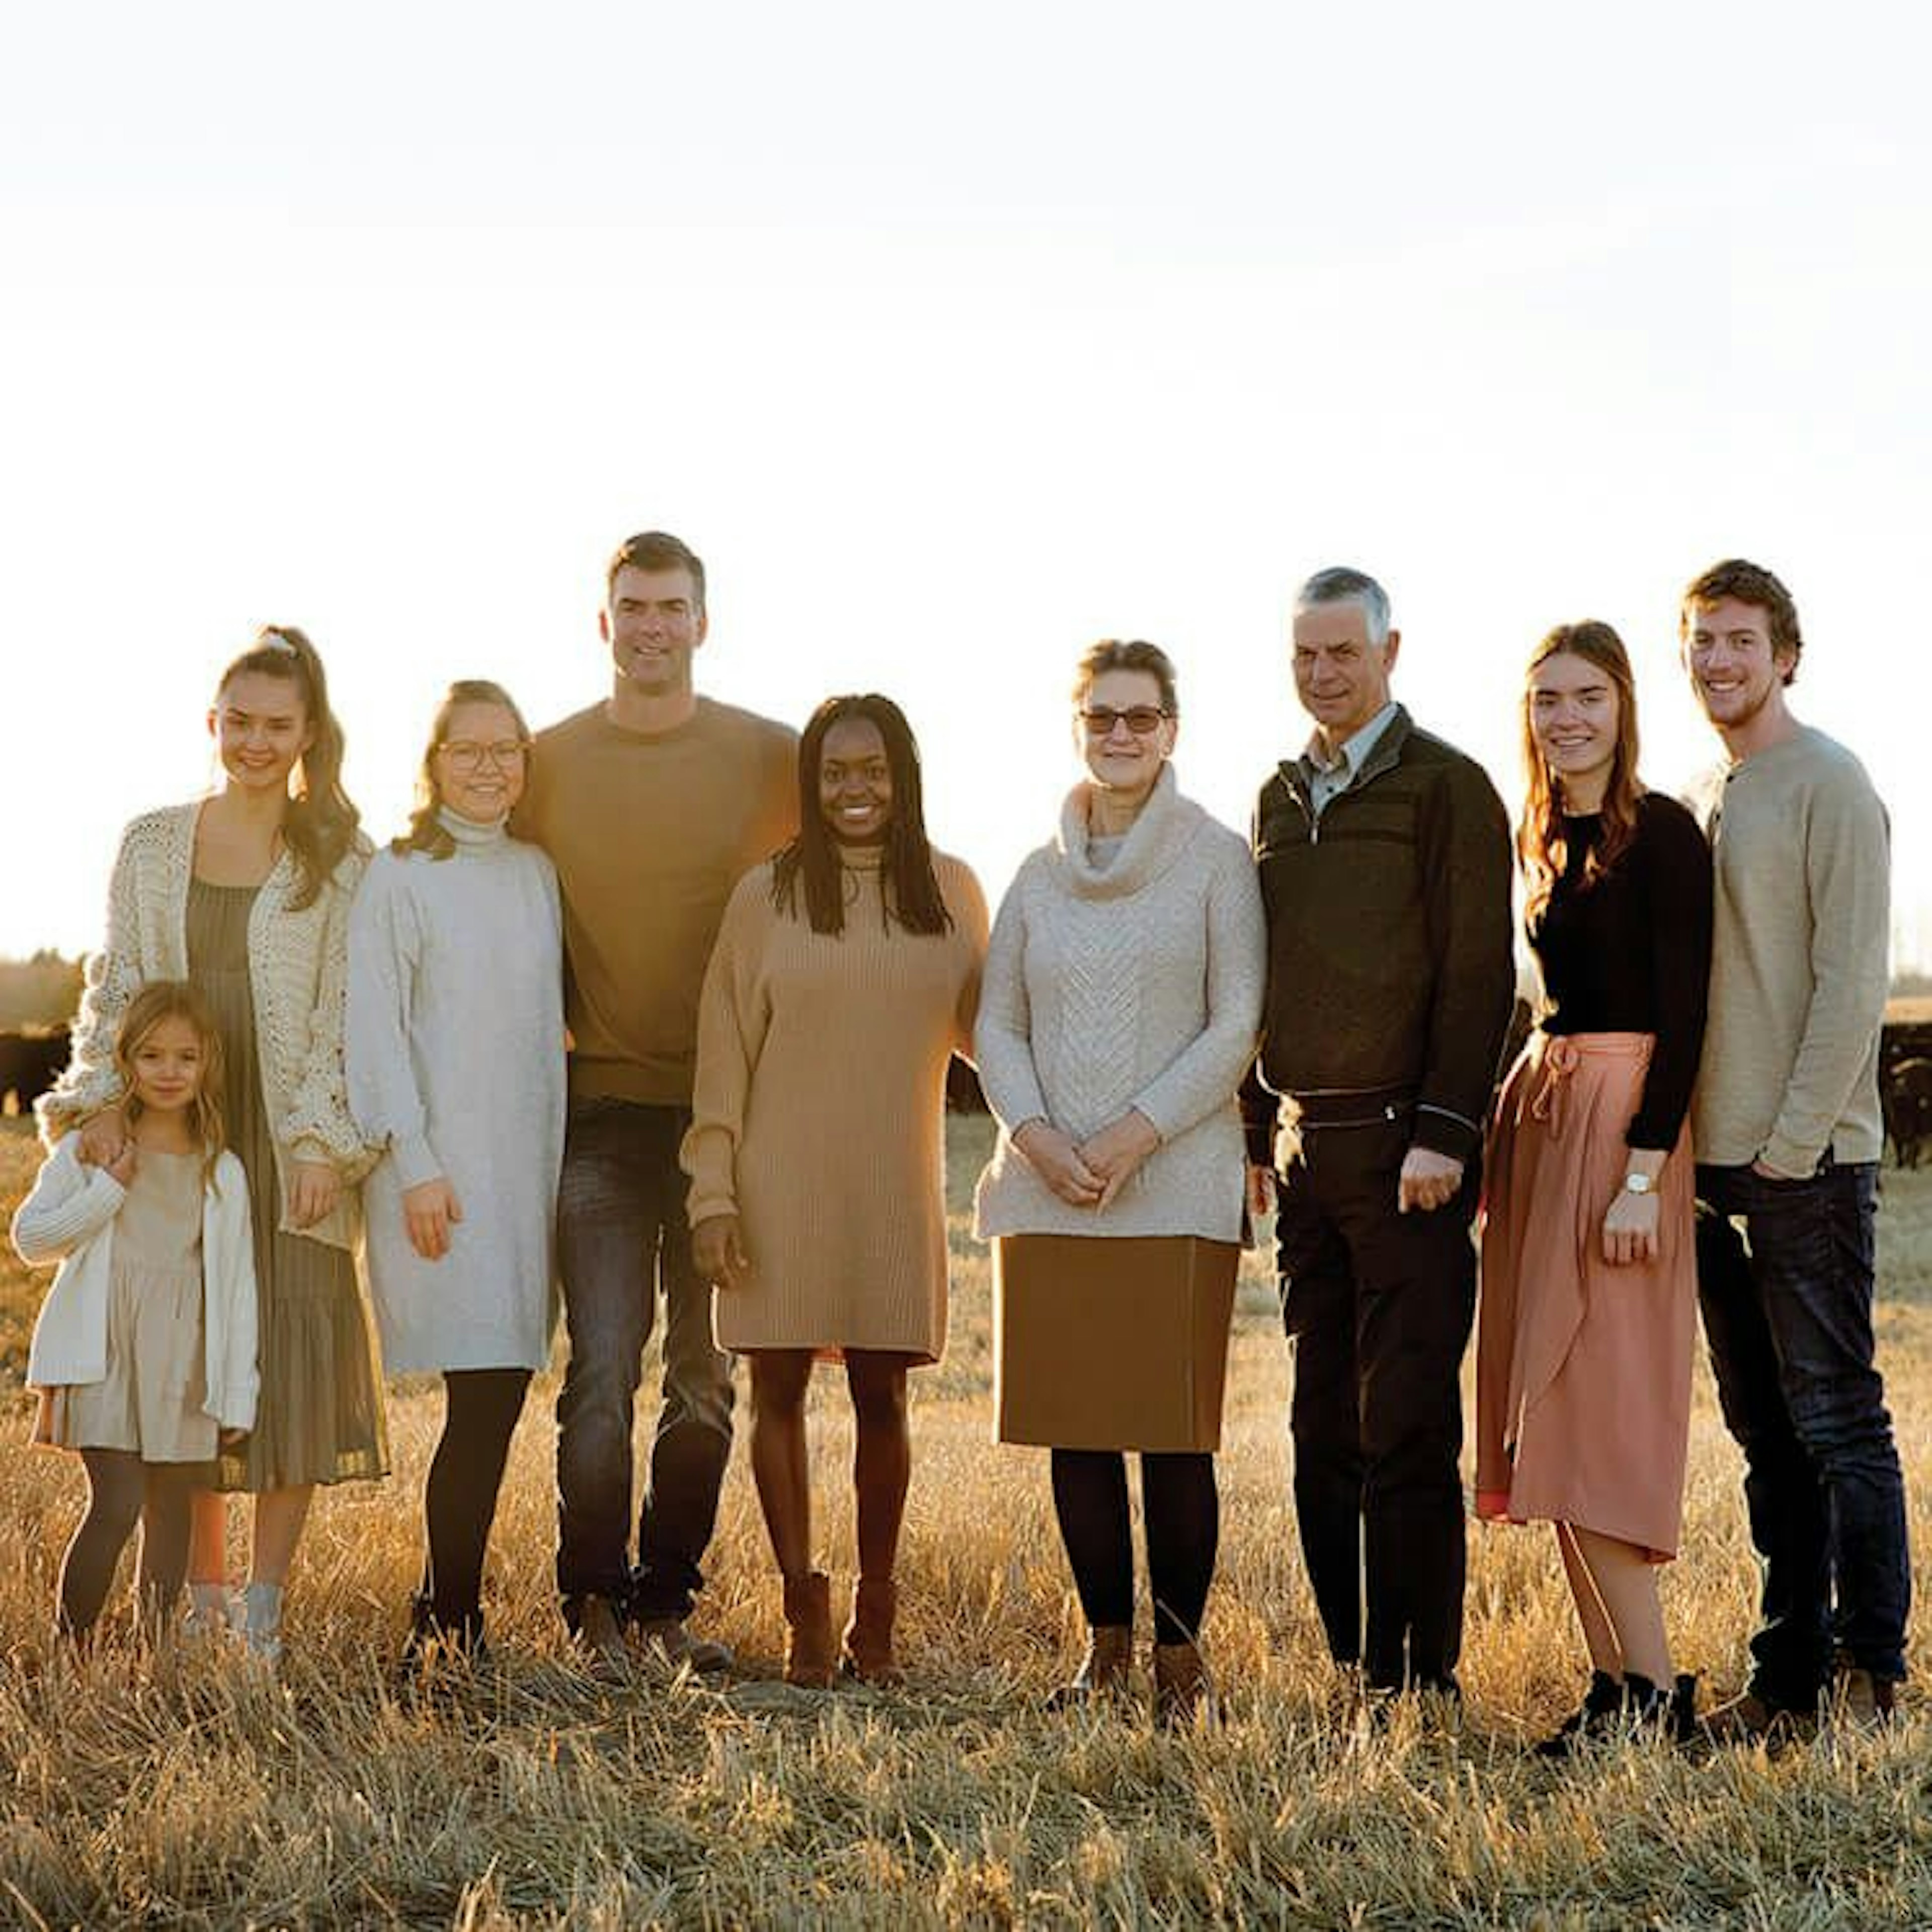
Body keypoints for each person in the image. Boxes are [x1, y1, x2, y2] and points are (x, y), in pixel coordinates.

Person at [40, 625, 383, 1663]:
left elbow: (341, 1013)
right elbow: (120, 982)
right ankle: (197, 1599)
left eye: (278, 725)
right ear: (213, 723)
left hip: (285, 1145)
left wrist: (325, 1143)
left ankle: (263, 1607)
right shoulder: (153, 842)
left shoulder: (343, 860)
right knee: (185, 1366)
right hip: (174, 1131)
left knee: (290, 1358)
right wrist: (100, 1100)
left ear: (309, 733)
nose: (255, 741)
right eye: (239, 722)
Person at [513, 530, 797, 1670]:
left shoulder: (770, 755)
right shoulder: (544, 762)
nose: (650, 626)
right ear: (602, 623)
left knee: (706, 1374)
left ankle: (664, 1607)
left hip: (734, 1121)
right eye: (632, 606)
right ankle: (589, 1607)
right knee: (600, 1369)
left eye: (671, 607)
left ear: (703, 623)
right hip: (599, 1112)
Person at [974, 640, 1263, 1725]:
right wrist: (1038, 1136)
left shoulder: (1215, 858)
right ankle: (1104, 1657)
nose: (1122, 735)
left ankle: (1181, 1672)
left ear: (1173, 731)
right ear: (1079, 728)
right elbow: (997, 1022)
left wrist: (1138, 1134)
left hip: (1173, 1186)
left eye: (1141, 717)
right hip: (1052, 1192)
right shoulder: (1037, 875)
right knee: (1078, 1434)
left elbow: (1237, 1020)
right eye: (1103, 717)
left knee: (1172, 1437)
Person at [1246, 566, 1514, 1705]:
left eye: (1342, 652)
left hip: (1412, 1148)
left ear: (1390, 653)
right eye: (1305, 654)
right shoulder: (1275, 796)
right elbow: (1262, 972)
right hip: (1309, 1153)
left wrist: (1448, 1130)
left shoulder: (1448, 788)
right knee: (1321, 1424)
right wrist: (1258, 1133)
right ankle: (1355, 1666)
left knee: (1405, 1420)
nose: (1322, 673)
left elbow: (1480, 976)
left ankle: (1422, 1679)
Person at [683, 694, 986, 1686]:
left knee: (882, 1393)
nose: (855, 790)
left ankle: (877, 1623)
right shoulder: (765, 895)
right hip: (778, 1178)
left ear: (905, 775)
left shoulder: (951, 892)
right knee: (774, 1386)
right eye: (835, 773)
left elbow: (998, 1037)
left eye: (874, 770)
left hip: (892, 1184)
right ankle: (804, 1612)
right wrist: (712, 1192)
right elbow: (724, 1049)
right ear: (810, 786)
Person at [1678, 559, 1908, 1738]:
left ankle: (1875, 1673)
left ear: (1786, 654)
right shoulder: (1707, 792)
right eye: (1702, 641)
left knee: (1837, 1421)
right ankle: (1789, 1681)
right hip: (1715, 1166)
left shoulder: (1831, 782)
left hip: (1804, 1166)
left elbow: (1846, 984)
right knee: (1765, 1435)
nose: (1719, 660)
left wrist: (1786, 1151)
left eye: (1739, 640)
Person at [1474, 622, 1712, 1750]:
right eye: (1545, 699)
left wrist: (1642, 1174)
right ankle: (1614, 1689)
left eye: (1586, 696)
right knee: (1548, 1420)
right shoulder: (1547, 836)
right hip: (1550, 1125)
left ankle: (1660, 1692)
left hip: (1625, 1138)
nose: (1565, 716)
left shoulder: (1662, 835)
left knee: (1604, 1411)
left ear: (1623, 704)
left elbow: (1687, 1012)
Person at [347, 681, 565, 1662]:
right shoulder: (398, 876)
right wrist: (414, 1164)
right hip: (439, 1172)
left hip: (526, 1170)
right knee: (482, 1391)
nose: (487, 766)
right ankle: (451, 1623)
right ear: (431, 763)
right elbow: (375, 1032)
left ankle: (440, 1608)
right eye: (465, 750)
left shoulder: (536, 872)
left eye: (505, 748)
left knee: (502, 1386)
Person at [18, 982, 259, 1642]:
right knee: (117, 1503)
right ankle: (73, 1650)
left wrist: (236, 1395)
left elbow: (237, 1290)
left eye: (186, 1056)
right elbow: (32, 1240)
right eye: (152, 1056)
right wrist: (107, 1192)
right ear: (126, 1061)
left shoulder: (223, 1170)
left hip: (182, 1359)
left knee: (172, 1509)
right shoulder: (93, 1150)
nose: (170, 1072)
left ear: (208, 1061)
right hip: (103, 1348)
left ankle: (157, 1655)